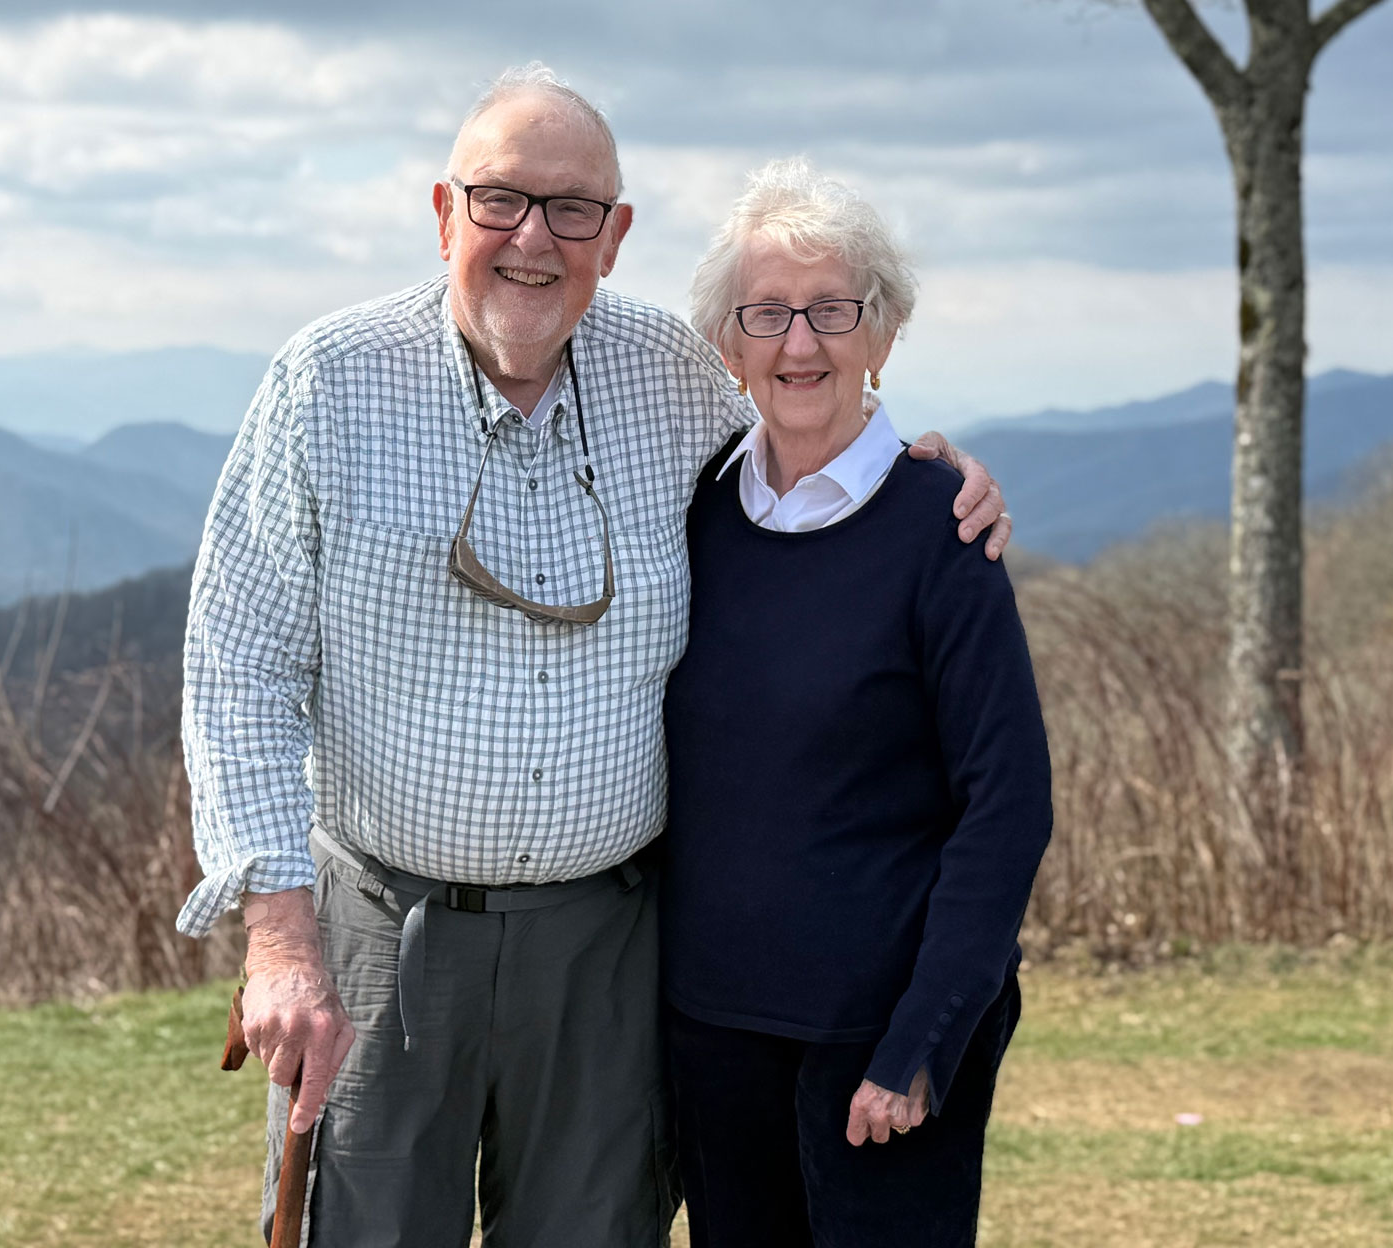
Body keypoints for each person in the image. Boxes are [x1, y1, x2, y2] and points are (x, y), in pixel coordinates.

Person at [175, 67, 1013, 1246]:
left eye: (573, 210)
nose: (533, 238)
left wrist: (931, 473)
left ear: (614, 239)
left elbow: (807, 449)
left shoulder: (672, 379)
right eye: (500, 200)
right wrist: (280, 947)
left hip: (609, 949)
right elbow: (237, 672)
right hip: (381, 936)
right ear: (442, 213)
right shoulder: (328, 382)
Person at [659, 159, 1053, 1247]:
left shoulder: (943, 530)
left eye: (832, 310)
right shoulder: (693, 517)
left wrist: (922, 1040)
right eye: (768, 314)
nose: (800, 344)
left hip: (878, 1046)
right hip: (713, 1034)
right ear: (727, 347)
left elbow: (1007, 806)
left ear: (881, 335)